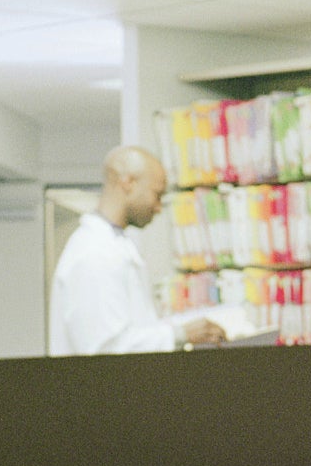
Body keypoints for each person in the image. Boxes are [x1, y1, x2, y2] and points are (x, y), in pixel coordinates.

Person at [50, 145, 226, 356]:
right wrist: (180, 335)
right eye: (157, 194)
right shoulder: (93, 253)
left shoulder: (116, 246)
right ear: (128, 183)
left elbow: (132, 331)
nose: (159, 207)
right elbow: (105, 349)